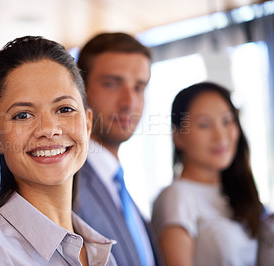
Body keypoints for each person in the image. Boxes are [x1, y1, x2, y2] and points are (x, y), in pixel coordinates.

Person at [0, 36, 117, 265]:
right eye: (23, 115)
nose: (48, 129)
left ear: (87, 124)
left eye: (64, 109)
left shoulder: (98, 250)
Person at [73, 32, 163, 266]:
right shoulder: (68, 185)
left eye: (139, 87)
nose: (129, 102)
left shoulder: (119, 186)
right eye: (112, 84)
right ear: (79, 89)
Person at [152, 82, 262, 266]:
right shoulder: (177, 197)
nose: (220, 136)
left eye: (227, 121)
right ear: (178, 136)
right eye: (204, 125)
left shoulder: (233, 194)